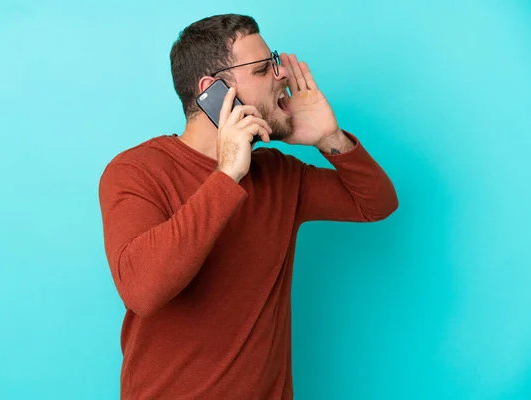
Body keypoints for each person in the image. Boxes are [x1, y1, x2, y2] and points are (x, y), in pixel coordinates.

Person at [98, 13, 398, 400]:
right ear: (214, 92)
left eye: (274, 64)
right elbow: (143, 291)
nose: (282, 77)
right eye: (262, 70)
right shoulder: (136, 171)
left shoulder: (279, 173)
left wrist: (329, 138)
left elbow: (375, 204)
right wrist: (226, 176)